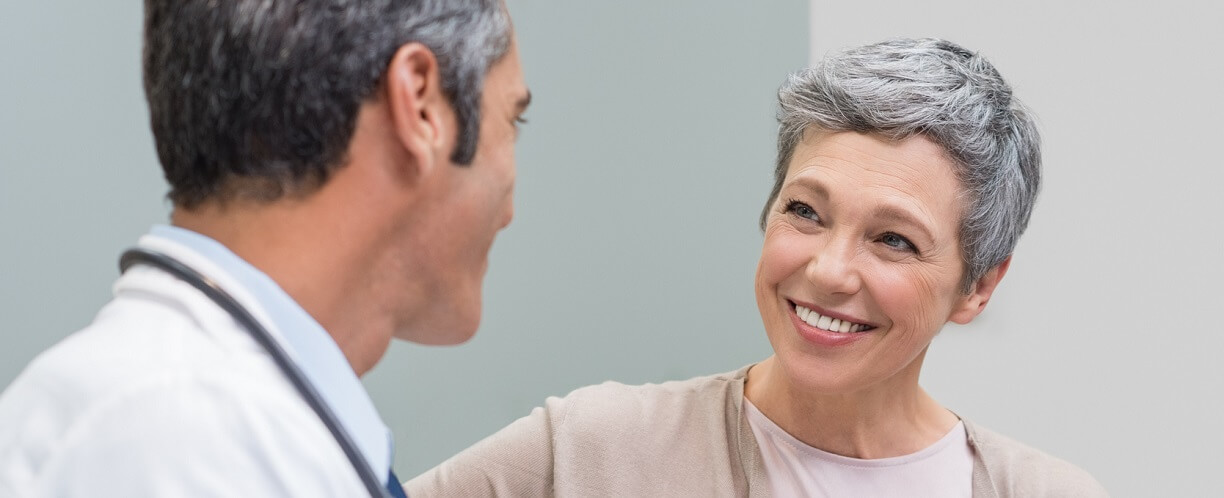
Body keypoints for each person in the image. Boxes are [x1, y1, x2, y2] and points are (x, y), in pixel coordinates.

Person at [407, 38, 1107, 497]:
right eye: (805, 211)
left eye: (893, 240)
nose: (830, 270)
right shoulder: (592, 453)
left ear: (979, 285)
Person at [0, 0, 529, 496]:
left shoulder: (193, 419)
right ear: (419, 104)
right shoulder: (178, 442)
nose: (510, 206)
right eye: (513, 119)